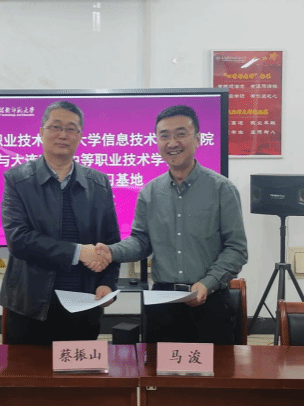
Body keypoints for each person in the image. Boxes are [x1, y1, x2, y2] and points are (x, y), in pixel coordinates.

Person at [92, 105, 248, 344]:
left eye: (181, 134)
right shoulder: (150, 192)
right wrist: (111, 252)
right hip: (162, 305)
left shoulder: (221, 189)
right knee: (160, 367)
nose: (172, 142)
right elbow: (140, 242)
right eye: (164, 135)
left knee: (213, 369)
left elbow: (236, 249)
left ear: (197, 139)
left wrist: (207, 283)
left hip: (210, 302)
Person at [0, 101, 120, 345]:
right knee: (27, 370)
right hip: (30, 306)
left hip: (83, 305)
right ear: (41, 132)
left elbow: (111, 242)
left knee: (79, 369)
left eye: (71, 128)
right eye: (56, 127)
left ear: (80, 136)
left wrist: (108, 284)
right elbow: (18, 240)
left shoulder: (99, 183)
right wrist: (78, 252)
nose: (63, 134)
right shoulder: (18, 179)